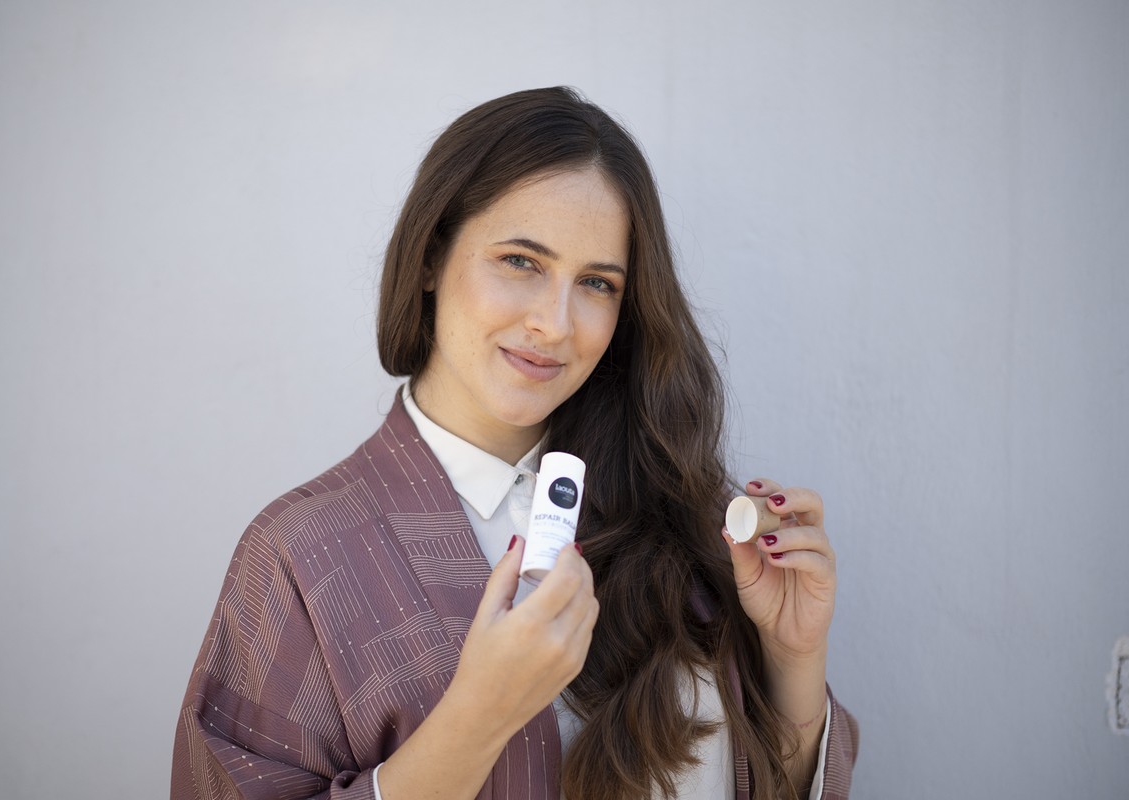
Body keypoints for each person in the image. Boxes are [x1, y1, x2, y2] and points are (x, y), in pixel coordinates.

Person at [172, 86, 858, 800]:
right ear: (432, 255)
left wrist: (792, 658)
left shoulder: (688, 516)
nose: (555, 324)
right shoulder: (302, 554)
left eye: (597, 283)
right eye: (521, 261)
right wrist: (476, 719)